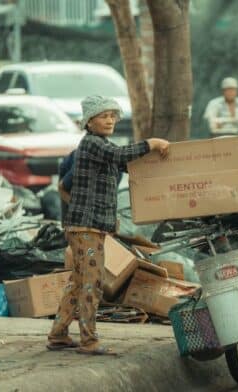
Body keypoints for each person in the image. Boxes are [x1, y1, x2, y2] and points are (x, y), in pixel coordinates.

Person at [47, 95, 169, 355]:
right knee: (93, 283)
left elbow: (125, 161)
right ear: (89, 122)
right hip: (85, 229)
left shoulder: (101, 146)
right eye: (104, 116)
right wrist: (152, 143)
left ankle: (58, 334)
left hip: (91, 227)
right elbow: (121, 154)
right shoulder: (92, 144)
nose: (110, 120)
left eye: (113, 116)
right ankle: (89, 341)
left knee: (79, 282)